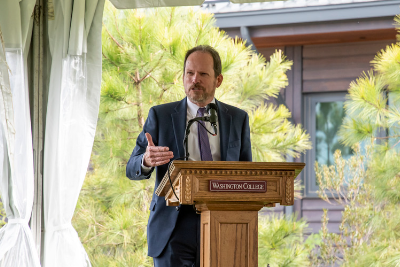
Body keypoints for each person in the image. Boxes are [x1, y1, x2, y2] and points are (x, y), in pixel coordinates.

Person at [126, 45, 252, 267]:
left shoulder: (238, 119)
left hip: (222, 223)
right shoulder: (161, 115)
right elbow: (131, 168)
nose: (195, 79)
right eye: (190, 73)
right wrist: (146, 160)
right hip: (173, 225)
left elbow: (247, 174)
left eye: (203, 74)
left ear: (218, 80)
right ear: (183, 77)